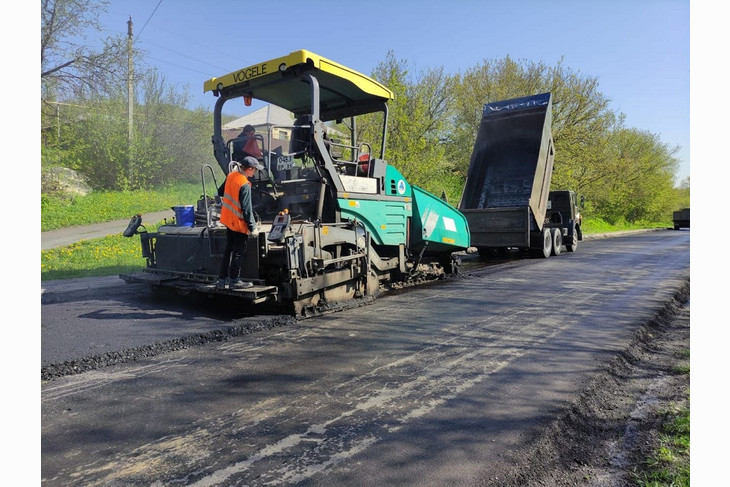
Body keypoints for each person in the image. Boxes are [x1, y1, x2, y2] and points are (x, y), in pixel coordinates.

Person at [216, 156, 264, 289]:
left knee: (228, 250)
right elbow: (247, 209)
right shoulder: (244, 184)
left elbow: (220, 191)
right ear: (249, 169)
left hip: (228, 220)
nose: (254, 173)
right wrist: (252, 227)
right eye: (254, 170)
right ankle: (234, 280)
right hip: (238, 224)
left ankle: (222, 280)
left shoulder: (231, 176)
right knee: (238, 252)